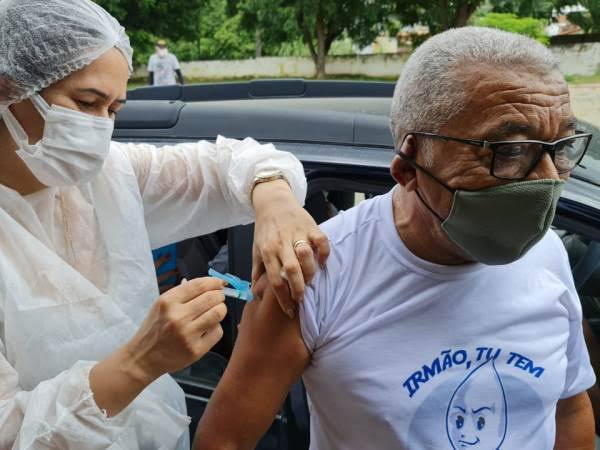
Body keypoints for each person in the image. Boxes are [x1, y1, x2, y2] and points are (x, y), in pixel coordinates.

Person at [194, 27, 596, 449]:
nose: (548, 180)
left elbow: (569, 408)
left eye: (561, 147)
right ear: (409, 165)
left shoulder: (547, 251)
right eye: (510, 151)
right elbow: (224, 441)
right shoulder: (314, 274)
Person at [0, 0, 329, 448]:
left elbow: (228, 163)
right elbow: (11, 432)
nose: (100, 131)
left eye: (113, 110)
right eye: (85, 102)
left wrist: (275, 198)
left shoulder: (107, 176)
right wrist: (142, 361)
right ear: (8, 89)